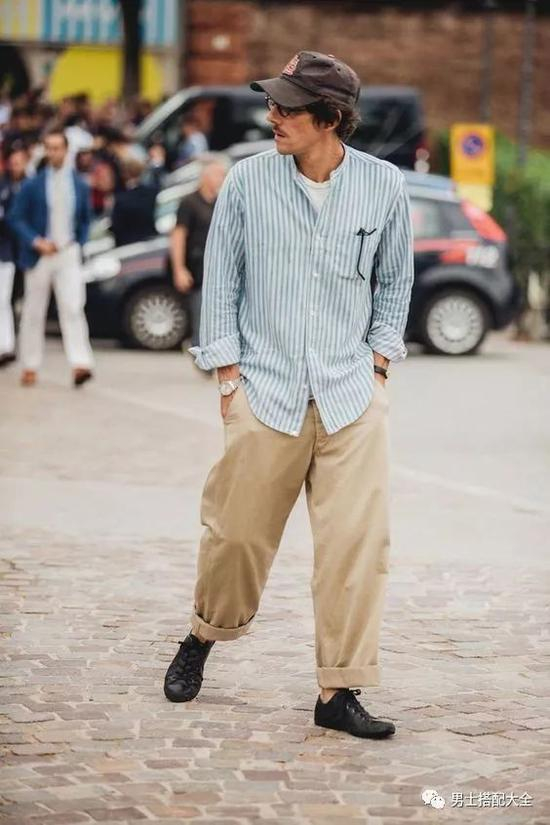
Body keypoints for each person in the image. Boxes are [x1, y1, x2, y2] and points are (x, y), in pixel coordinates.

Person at [163, 52, 414, 740]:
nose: (271, 115)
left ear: (329, 118)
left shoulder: (384, 186)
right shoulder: (246, 182)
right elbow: (221, 280)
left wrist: (380, 365)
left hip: (351, 396)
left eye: (287, 107)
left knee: (356, 546)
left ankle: (338, 689)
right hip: (265, 390)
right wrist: (227, 378)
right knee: (236, 535)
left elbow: (395, 281)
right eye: (272, 103)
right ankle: (203, 633)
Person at [8, 127, 94, 387]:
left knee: (73, 307)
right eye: (49, 148)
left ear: (66, 150)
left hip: (67, 251)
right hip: (40, 254)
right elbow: (15, 217)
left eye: (57, 148)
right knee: (33, 311)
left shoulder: (79, 184)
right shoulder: (33, 184)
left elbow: (86, 218)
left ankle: (80, 363)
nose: (53, 153)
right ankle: (30, 364)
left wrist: (79, 242)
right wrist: (35, 241)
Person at [169, 157, 228, 357]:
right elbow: (178, 236)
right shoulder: (189, 203)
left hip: (218, 267)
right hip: (197, 267)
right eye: (218, 174)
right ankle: (199, 350)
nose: (222, 179)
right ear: (205, 176)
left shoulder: (221, 202)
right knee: (200, 312)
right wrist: (179, 269)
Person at [0, 146, 28, 367]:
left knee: (6, 300)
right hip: (8, 251)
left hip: (14, 252)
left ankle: (7, 345)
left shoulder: (29, 186)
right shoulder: (4, 186)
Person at [110, 157, 158, 248]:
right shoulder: (152, 192)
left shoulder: (121, 200)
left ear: (124, 174)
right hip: (151, 242)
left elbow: (117, 226)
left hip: (129, 246)